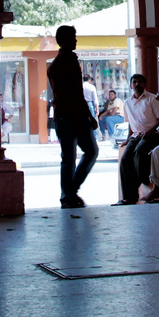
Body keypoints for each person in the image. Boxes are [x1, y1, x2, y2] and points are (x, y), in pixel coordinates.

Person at [48, 25, 98, 208]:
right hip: (72, 116)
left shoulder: (60, 63)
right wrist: (90, 117)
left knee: (69, 157)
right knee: (87, 152)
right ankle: (69, 193)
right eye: (73, 37)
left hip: (66, 116)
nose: (76, 40)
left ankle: (69, 193)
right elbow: (75, 94)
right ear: (64, 40)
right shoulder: (64, 64)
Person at [115, 75, 159, 205]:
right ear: (131, 85)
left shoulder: (152, 99)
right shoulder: (127, 103)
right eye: (135, 82)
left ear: (144, 84)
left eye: (140, 82)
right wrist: (127, 139)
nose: (137, 84)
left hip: (153, 134)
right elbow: (131, 123)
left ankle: (143, 182)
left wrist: (150, 131)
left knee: (140, 151)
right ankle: (129, 197)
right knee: (125, 160)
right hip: (136, 135)